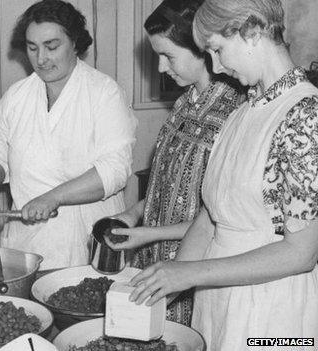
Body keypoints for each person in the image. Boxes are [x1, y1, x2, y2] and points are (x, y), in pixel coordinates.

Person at [129, 0, 318, 349]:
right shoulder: (244, 111)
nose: (215, 65)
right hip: (217, 302)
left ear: (251, 32)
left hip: (272, 314)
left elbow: (301, 253)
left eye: (217, 49)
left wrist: (189, 274)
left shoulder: (305, 115)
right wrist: (164, 285)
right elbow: (210, 216)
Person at [105, 0, 244, 326]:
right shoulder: (183, 104)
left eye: (168, 56)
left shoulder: (235, 113)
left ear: (203, 50)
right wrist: (132, 214)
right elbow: (164, 184)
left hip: (195, 267)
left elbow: (218, 218)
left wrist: (150, 233)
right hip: (154, 257)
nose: (160, 68)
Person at [0, 0, 137, 270]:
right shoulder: (16, 97)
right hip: (27, 242)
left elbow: (115, 170)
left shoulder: (104, 93)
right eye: (32, 47)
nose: (41, 59)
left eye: (52, 47)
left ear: (74, 43)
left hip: (86, 240)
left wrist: (53, 197)